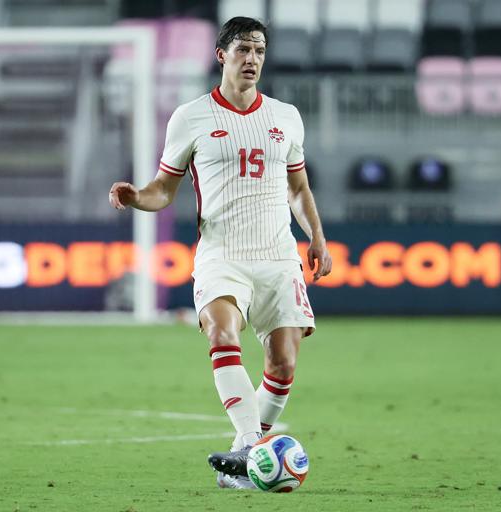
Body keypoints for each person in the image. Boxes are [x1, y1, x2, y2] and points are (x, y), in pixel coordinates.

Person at [109, 16, 332, 490]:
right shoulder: (191, 117)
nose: (252, 59)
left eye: (259, 51)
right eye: (243, 50)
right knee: (221, 330)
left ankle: (243, 461)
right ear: (222, 56)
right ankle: (253, 446)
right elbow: (163, 190)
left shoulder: (285, 116)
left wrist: (317, 235)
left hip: (277, 254)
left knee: (284, 362)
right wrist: (136, 198)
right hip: (221, 253)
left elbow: (297, 186)